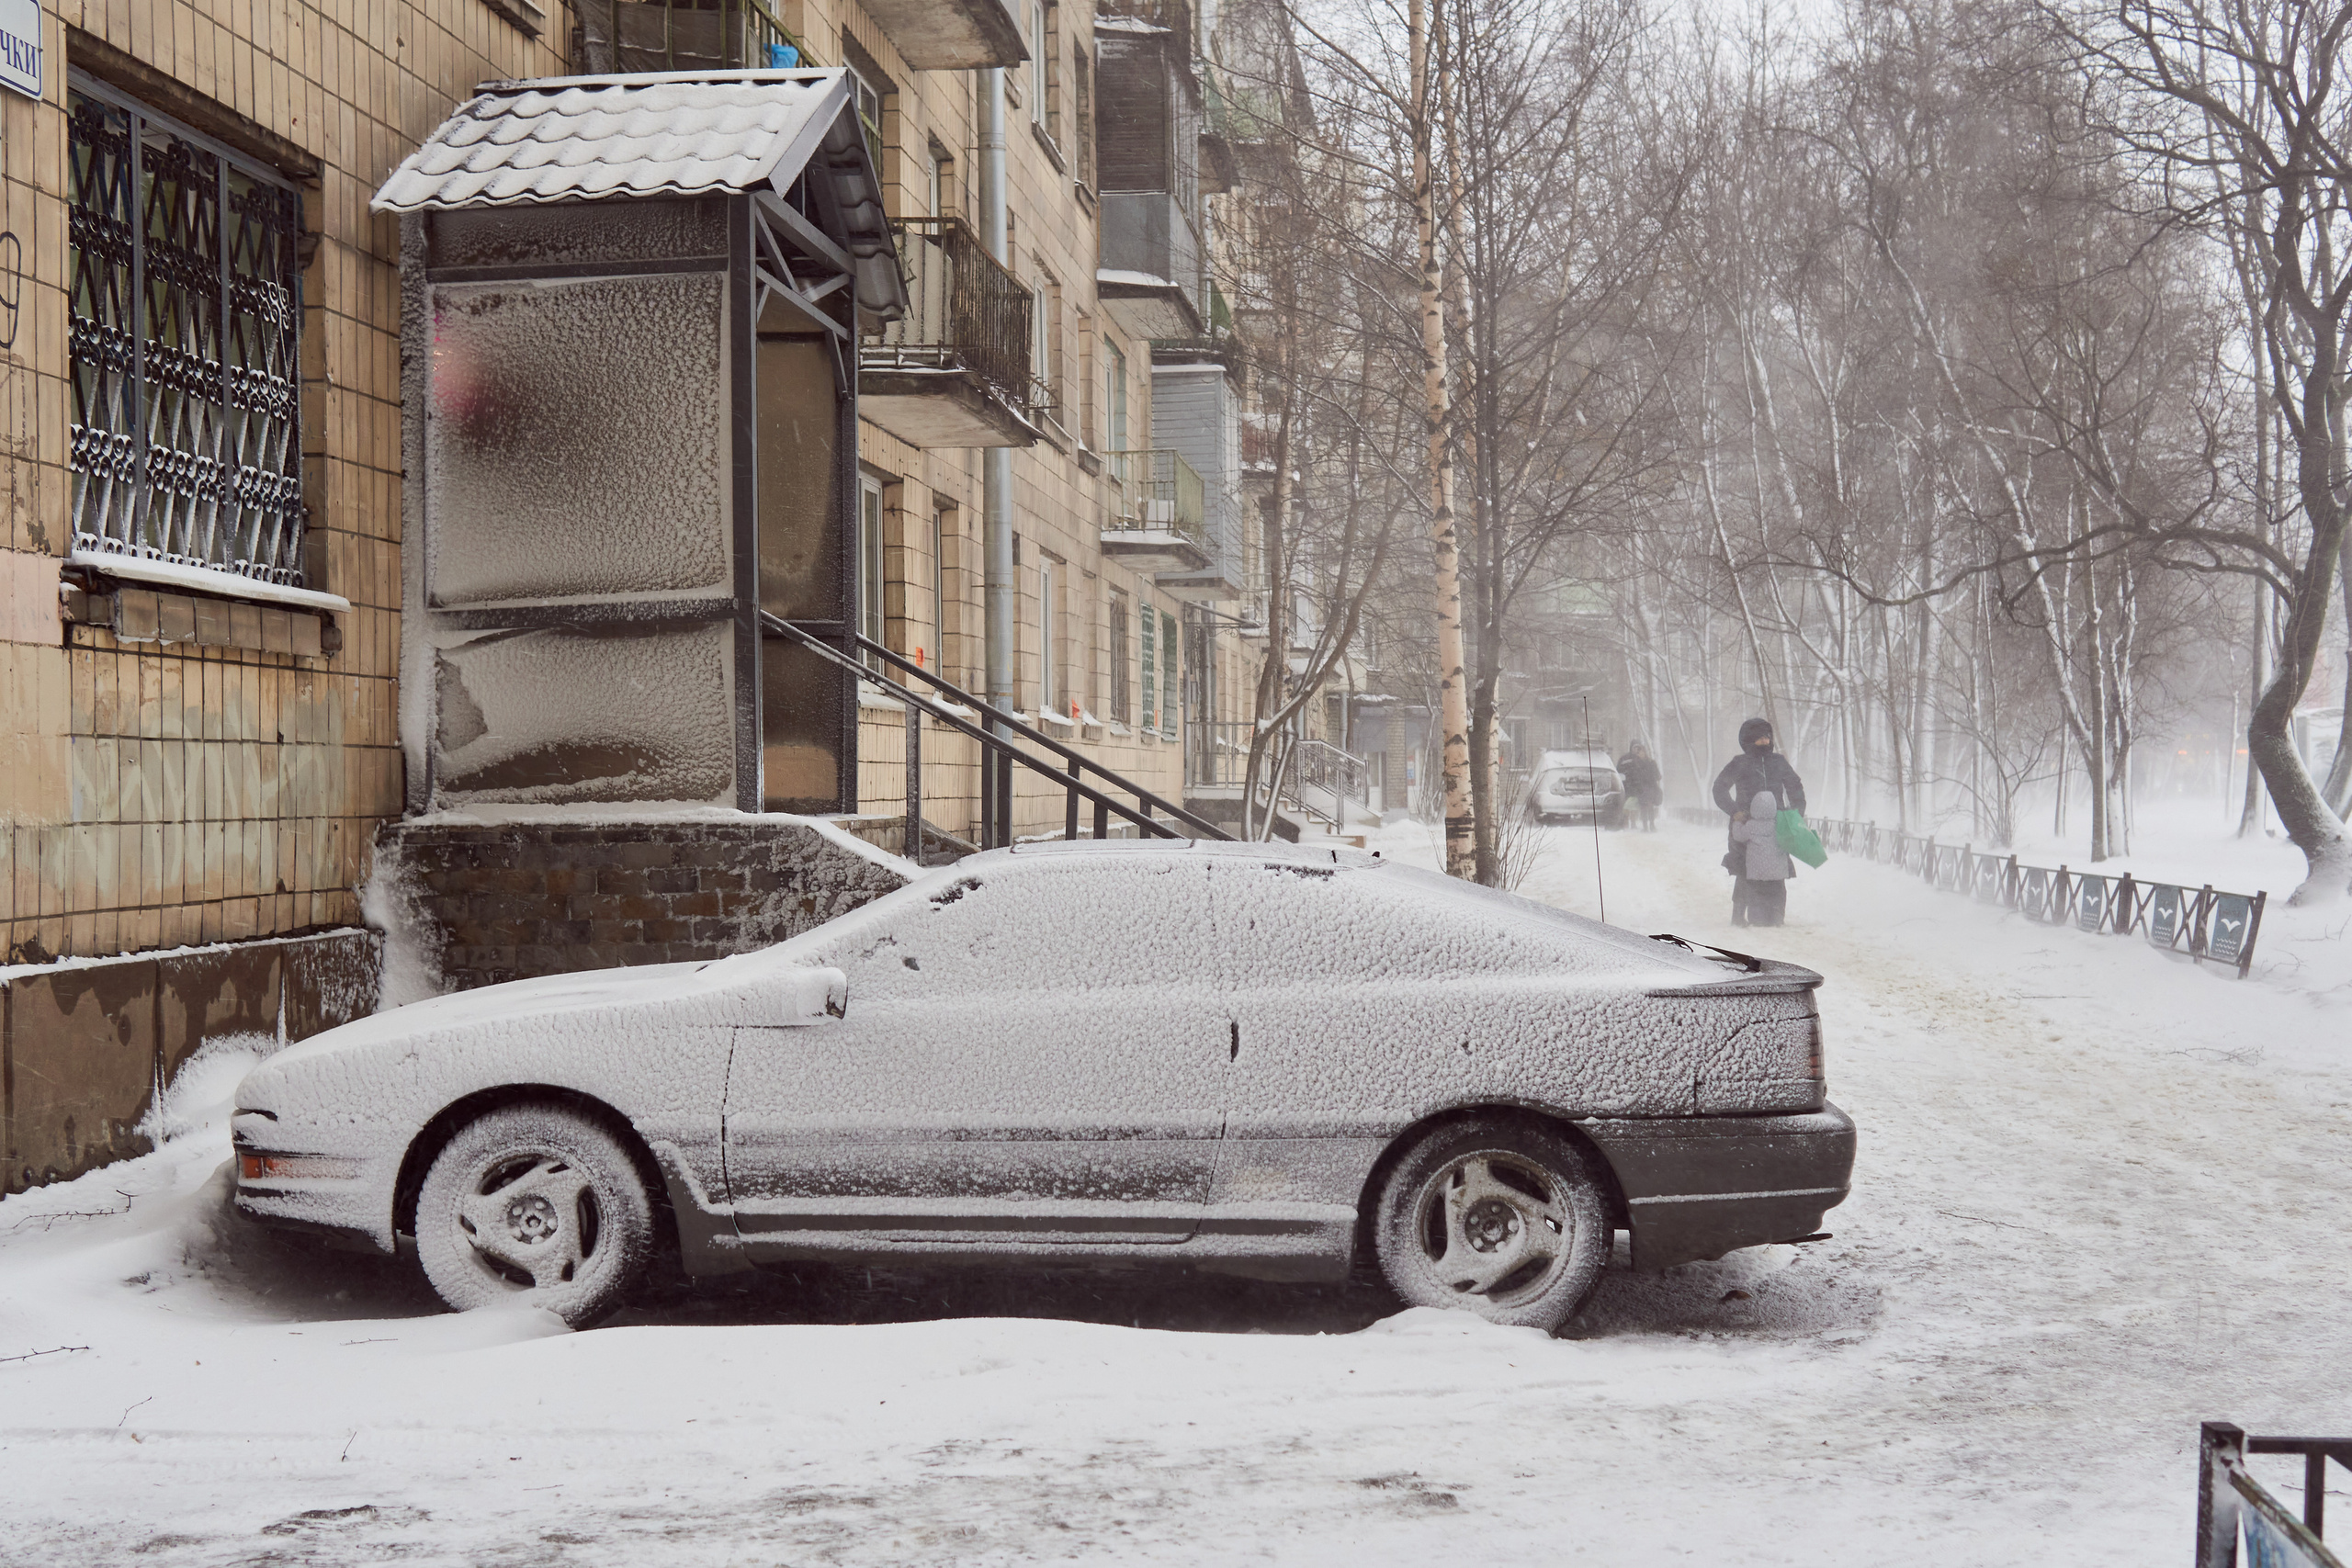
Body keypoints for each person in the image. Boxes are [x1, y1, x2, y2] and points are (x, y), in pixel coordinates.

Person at [1713, 718, 1806, 925]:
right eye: (1760, 737)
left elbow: (1795, 787)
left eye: (1767, 736)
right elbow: (1719, 789)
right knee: (1744, 869)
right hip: (1745, 824)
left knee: (1777, 869)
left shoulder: (1778, 762)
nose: (1765, 740)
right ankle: (1738, 916)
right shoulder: (1739, 763)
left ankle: (1776, 916)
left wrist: (1795, 814)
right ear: (1748, 739)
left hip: (1776, 826)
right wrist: (1735, 812)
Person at [1729, 786, 1793, 926]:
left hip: (1756, 872)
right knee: (1777, 895)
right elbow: (1789, 838)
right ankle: (1777, 916)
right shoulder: (1779, 825)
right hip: (1776, 871)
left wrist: (1737, 822)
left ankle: (1757, 917)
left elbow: (1738, 836)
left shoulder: (1751, 826)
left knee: (1756, 895)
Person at [1617, 740, 1663, 831]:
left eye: (1641, 750)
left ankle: (1651, 825)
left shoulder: (1651, 762)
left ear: (1645, 752)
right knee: (1641, 807)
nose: (1639, 753)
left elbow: (1657, 775)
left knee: (1649, 806)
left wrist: (1653, 777)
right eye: (1637, 750)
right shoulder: (1635, 763)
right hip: (1639, 788)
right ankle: (1644, 826)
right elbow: (1632, 775)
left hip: (1650, 787)